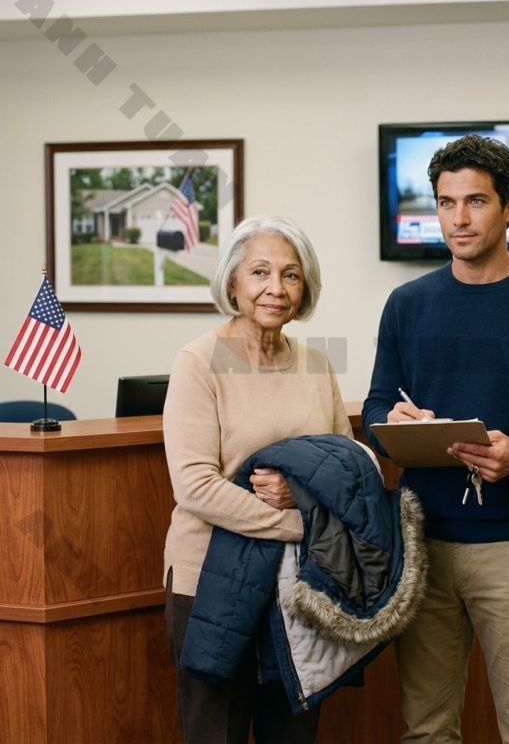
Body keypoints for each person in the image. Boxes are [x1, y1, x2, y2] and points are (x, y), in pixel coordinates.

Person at [362, 133, 509, 743]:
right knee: (427, 727)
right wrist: (395, 428)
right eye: (445, 203)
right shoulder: (406, 305)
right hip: (422, 541)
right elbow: (376, 407)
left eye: (475, 202)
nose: (458, 219)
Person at [163, 215, 353, 744]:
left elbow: (348, 467)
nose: (276, 288)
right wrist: (300, 523)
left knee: (293, 731)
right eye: (260, 272)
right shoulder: (200, 361)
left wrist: (306, 500)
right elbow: (195, 485)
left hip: (300, 586)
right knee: (216, 732)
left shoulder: (316, 363)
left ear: (305, 288)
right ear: (232, 282)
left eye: (291, 275)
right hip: (211, 582)